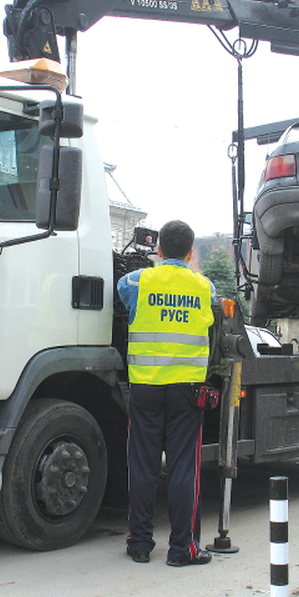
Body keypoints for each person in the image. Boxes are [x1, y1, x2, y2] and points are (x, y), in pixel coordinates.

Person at [117, 220, 216, 566]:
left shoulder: (139, 281)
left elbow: (121, 290)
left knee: (142, 465)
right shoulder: (204, 287)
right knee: (182, 468)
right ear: (191, 253)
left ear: (158, 250)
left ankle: (140, 544)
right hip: (187, 390)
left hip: (145, 385)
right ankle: (181, 549)